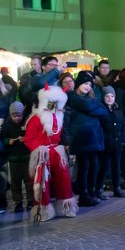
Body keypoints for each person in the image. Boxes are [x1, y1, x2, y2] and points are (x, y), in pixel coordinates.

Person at [25, 84, 78, 222]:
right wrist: (39, 149)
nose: (53, 106)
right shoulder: (35, 119)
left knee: (64, 180)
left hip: (56, 152)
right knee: (42, 182)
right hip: (42, 153)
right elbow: (29, 139)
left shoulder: (58, 117)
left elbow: (60, 134)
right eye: (51, 102)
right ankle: (43, 210)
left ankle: (66, 207)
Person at [65, 71, 108, 206]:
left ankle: (92, 191)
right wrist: (95, 107)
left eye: (89, 84)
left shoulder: (91, 98)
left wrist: (94, 108)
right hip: (82, 137)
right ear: (78, 83)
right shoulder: (72, 96)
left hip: (94, 137)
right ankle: (84, 194)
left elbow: (104, 111)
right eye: (85, 83)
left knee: (94, 165)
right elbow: (89, 106)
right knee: (84, 166)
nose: (87, 86)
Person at [0, 101, 32, 212]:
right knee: (15, 182)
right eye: (14, 116)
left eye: (19, 115)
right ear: (10, 115)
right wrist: (8, 141)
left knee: (28, 181)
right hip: (13, 159)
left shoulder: (27, 124)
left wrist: (26, 139)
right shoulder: (7, 125)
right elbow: (2, 138)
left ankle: (30, 200)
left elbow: (32, 136)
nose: (17, 118)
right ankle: (18, 202)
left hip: (27, 157)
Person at [99, 86, 125, 198]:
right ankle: (99, 189)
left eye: (112, 96)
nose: (110, 98)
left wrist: (123, 138)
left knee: (116, 167)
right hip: (105, 144)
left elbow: (123, 126)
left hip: (117, 144)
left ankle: (117, 188)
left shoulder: (118, 111)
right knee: (103, 168)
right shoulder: (101, 111)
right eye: (107, 96)